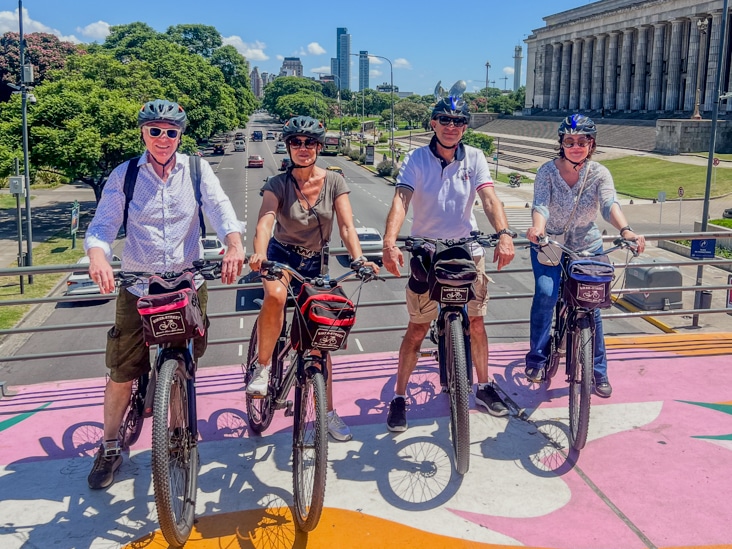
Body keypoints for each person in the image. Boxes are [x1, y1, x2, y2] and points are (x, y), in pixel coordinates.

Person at [84, 99, 246, 489]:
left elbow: (222, 209)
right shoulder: (124, 175)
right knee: (122, 373)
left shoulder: (196, 169)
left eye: (170, 132)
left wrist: (235, 244)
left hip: (188, 284)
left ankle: (175, 433)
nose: (162, 139)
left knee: (184, 365)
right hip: (139, 286)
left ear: (180, 135)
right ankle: (108, 447)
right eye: (154, 130)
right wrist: (98, 258)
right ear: (142, 132)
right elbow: (102, 227)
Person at [381, 90, 516, 432]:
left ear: (465, 127)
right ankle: (399, 396)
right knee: (417, 328)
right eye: (445, 120)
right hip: (427, 252)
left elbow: (488, 198)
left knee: (477, 324)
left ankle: (484, 386)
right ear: (433, 123)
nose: (452, 127)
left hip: (467, 249)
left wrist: (503, 233)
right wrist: (389, 242)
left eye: (458, 122)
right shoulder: (416, 159)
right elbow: (401, 200)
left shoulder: (475, 157)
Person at [247, 115, 379, 442]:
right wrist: (260, 254)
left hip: (315, 263)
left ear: (320, 147)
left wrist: (360, 258)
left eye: (310, 143)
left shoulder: (334, 181)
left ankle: (328, 411)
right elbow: (265, 221)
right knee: (276, 297)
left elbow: (347, 227)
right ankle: (263, 368)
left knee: (322, 342)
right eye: (296, 142)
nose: (303, 149)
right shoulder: (277, 184)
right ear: (288, 146)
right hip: (282, 257)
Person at [524, 113, 646, 398]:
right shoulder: (546, 171)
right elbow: (540, 204)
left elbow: (608, 204)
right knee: (545, 293)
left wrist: (626, 230)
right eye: (569, 141)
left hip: (587, 246)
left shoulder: (600, 173)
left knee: (591, 304)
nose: (576, 146)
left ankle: (598, 371)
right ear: (561, 143)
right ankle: (537, 360)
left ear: (591, 144)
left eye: (582, 141)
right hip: (550, 241)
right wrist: (537, 229)